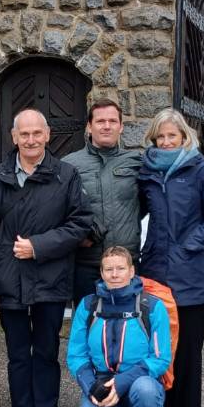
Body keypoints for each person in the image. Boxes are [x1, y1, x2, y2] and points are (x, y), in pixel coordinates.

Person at [0, 108, 91, 407]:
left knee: (46, 352)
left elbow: (80, 224)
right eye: (24, 134)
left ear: (47, 134)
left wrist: (39, 246)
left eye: (37, 133)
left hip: (49, 279)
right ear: (13, 137)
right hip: (8, 280)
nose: (31, 140)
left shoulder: (65, 176)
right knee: (17, 355)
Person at [138, 108, 204, 407]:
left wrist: (187, 246)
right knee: (163, 348)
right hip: (155, 271)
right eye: (160, 137)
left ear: (184, 136)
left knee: (188, 349)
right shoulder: (147, 173)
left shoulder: (201, 171)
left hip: (189, 274)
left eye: (171, 136)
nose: (165, 142)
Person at [67, 247, 171, 407]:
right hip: (102, 380)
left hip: (138, 379)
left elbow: (160, 358)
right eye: (109, 269)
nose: (115, 274)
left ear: (132, 271)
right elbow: (76, 354)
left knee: (146, 390)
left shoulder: (151, 306)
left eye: (120, 268)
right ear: (101, 273)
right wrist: (90, 385)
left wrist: (124, 381)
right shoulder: (88, 305)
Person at [62, 98, 142, 305]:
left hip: (126, 262)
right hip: (87, 263)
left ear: (121, 126)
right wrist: (81, 234)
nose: (107, 126)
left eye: (113, 121)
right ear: (89, 126)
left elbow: (143, 205)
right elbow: (59, 210)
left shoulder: (136, 162)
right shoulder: (69, 165)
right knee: (88, 326)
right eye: (100, 121)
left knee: (128, 330)